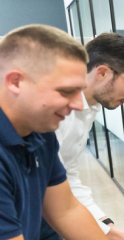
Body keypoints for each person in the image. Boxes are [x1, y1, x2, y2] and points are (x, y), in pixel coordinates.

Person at [39, 33, 124, 240]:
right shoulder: (53, 113)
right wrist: (101, 232)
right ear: (102, 73)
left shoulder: (89, 109)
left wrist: (105, 224)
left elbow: (66, 174)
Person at [0, 24, 107, 239]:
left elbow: (66, 211)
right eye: (66, 91)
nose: (78, 104)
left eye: (79, 90)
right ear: (15, 82)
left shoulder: (40, 131)